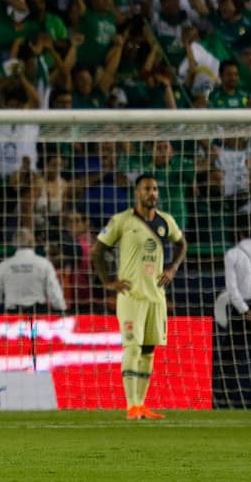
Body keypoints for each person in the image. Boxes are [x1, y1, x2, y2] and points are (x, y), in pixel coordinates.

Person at [91, 175, 187, 419]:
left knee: (148, 350)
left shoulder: (167, 221)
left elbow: (181, 243)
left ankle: (141, 405)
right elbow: (98, 249)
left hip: (156, 296)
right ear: (137, 193)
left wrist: (173, 268)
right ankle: (131, 406)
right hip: (131, 295)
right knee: (132, 347)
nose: (152, 193)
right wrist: (107, 281)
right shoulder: (122, 220)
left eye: (155, 189)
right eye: (147, 189)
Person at [222, 224, 251, 407]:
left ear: (238, 231)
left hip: (241, 311)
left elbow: (232, 290)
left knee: (230, 358)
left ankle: (228, 401)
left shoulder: (232, 254)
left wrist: (246, 312)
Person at [0, 228, 67, 312]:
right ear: (33, 242)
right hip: (38, 314)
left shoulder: (3, 265)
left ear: (14, 242)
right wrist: (62, 310)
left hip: (13, 316)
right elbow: (54, 291)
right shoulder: (44, 264)